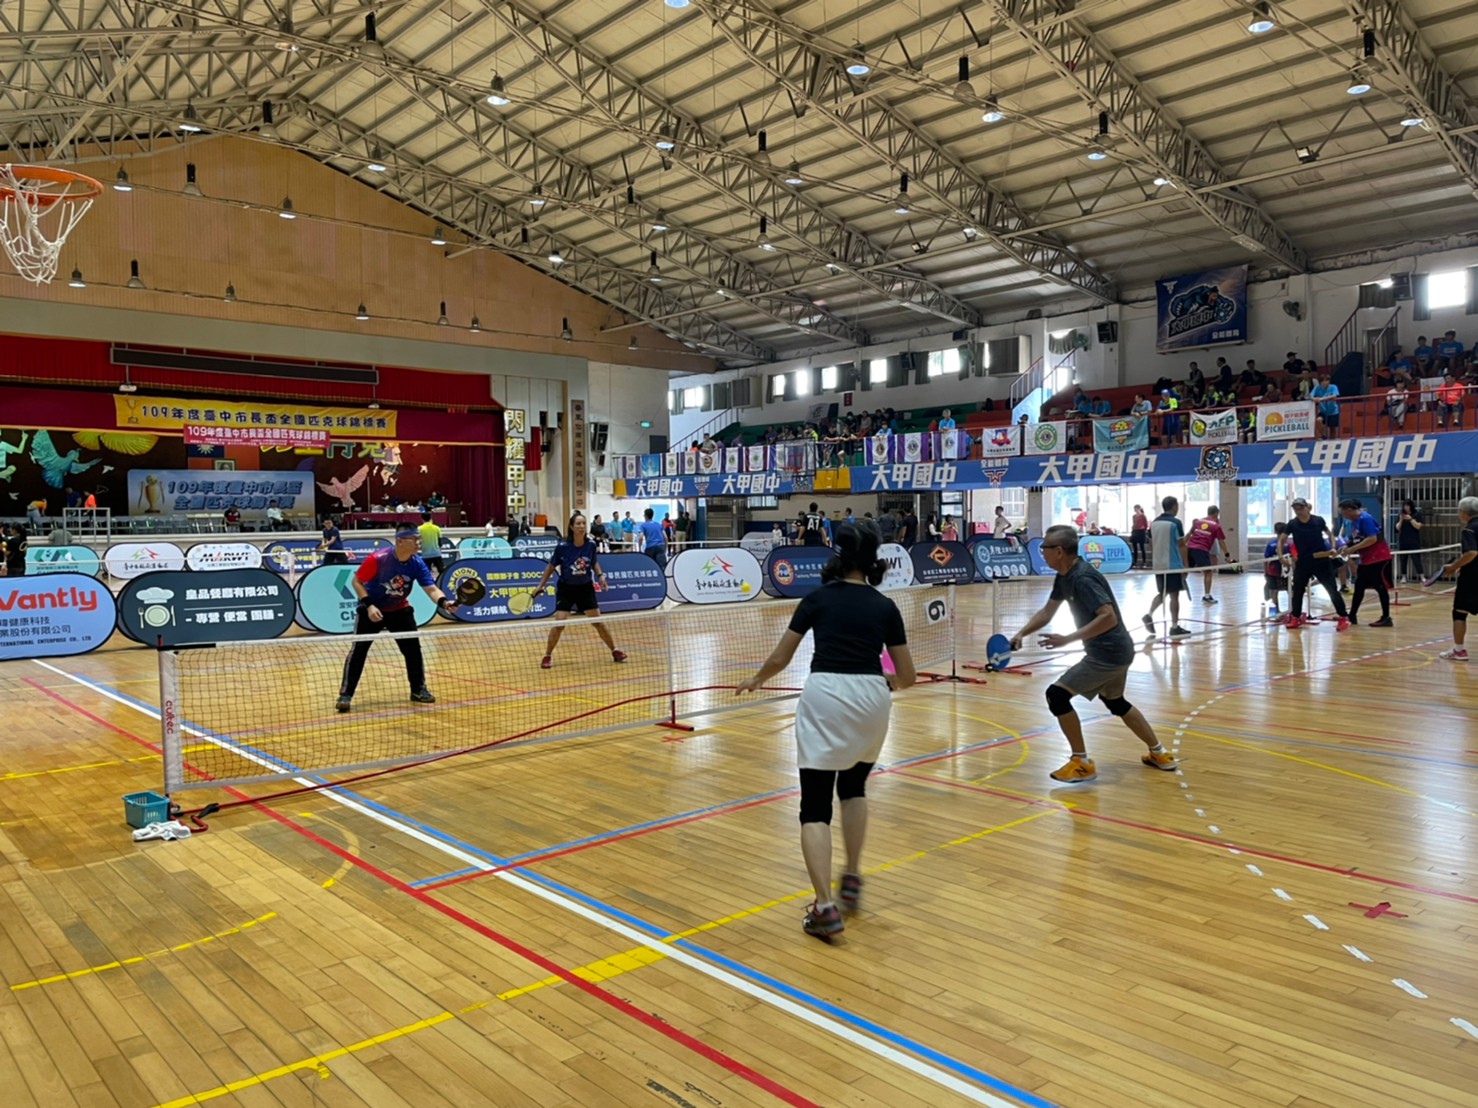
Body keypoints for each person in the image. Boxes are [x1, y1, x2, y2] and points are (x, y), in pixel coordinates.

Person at [736, 521, 915, 939]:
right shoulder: (885, 606)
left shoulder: (816, 599)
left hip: (826, 696)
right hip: (872, 699)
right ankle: (851, 874)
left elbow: (781, 657)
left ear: (838, 553)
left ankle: (825, 907)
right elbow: (907, 676)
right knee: (854, 788)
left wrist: (756, 679)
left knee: (815, 806)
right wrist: (884, 682)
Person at [1010, 525, 1177, 785]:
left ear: (1059, 551)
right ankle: (1160, 753)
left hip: (1108, 653)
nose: (1042, 552)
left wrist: (1068, 639)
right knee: (1116, 702)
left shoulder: (1082, 578)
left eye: (1044, 548)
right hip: (1118, 650)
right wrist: (1022, 633)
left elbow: (1108, 617)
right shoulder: (1064, 576)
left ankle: (1081, 762)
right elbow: (1047, 611)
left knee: (1057, 696)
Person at [335, 525, 458, 712]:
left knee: (413, 651)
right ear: (400, 541)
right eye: (414, 539)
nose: (418, 543)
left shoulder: (417, 563)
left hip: (399, 610)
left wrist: (444, 603)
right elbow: (356, 581)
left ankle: (418, 690)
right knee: (358, 651)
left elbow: (431, 589)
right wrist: (369, 605)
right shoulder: (378, 559)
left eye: (419, 539)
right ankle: (345, 695)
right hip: (371, 609)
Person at [531, 513, 628, 669]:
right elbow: (550, 567)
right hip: (567, 589)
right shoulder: (563, 547)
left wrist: (600, 576)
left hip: (585, 588)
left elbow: (594, 563)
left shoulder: (590, 545)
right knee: (559, 624)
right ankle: (547, 655)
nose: (582, 526)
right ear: (571, 527)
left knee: (598, 623)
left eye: (583, 523)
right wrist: (540, 585)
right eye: (578, 524)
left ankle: (614, 650)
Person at [1277, 498, 1349, 630]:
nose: (1298, 511)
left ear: (1307, 507)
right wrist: (1281, 557)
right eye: (1295, 509)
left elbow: (1330, 534)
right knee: (1297, 590)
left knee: (1331, 589)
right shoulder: (1292, 524)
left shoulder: (1318, 520)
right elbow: (1281, 540)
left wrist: (1333, 547)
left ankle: (1343, 617)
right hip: (1303, 562)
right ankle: (1296, 617)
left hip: (1321, 560)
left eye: (1300, 508)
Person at [1435, 496, 1478, 662]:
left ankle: (1458, 650)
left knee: (1460, 612)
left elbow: (1471, 553)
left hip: (1472, 578)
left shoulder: (1469, 529)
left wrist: (1453, 567)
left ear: (1464, 513)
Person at [1338, 499, 1393, 627]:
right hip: (1366, 559)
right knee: (1359, 586)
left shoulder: (1365, 518)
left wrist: (1353, 549)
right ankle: (1352, 615)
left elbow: (1372, 538)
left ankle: (1386, 617)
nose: (1342, 516)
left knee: (1380, 587)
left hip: (1378, 558)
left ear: (1349, 510)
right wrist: (1346, 546)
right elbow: (1355, 538)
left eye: (1342, 513)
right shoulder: (1354, 522)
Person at [1145, 496, 1192, 638]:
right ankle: (1174, 626)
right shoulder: (1175, 523)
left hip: (1158, 564)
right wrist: (1186, 565)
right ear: (1174, 506)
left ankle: (1149, 614)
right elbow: (1181, 544)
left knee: (1163, 592)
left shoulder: (1154, 523)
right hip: (1173, 565)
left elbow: (1151, 543)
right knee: (1174, 595)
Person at [1187, 506, 1235, 605]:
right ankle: (1207, 596)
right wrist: (1227, 555)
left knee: (1185, 569)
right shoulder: (1216, 526)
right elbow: (1221, 542)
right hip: (1201, 549)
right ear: (1217, 513)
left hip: (1190, 548)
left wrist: (1180, 546)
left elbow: (1189, 534)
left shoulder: (1198, 522)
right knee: (1208, 573)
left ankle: (1174, 589)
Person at [1264, 523, 1291, 619]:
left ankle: (1277, 611)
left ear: (1275, 531)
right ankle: (1292, 610)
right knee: (1289, 590)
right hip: (1284, 571)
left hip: (1274, 571)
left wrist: (1265, 572)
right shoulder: (1289, 544)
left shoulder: (1271, 544)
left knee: (1275, 590)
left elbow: (1266, 560)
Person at [1396, 499, 1424, 583]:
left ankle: (1422, 577)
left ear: (1411, 506)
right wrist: (1401, 520)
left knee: (1416, 559)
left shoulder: (1417, 514)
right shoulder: (1401, 515)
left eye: (1407, 505)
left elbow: (1418, 526)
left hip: (1414, 541)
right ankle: (1403, 576)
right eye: (1405, 506)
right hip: (1403, 541)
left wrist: (1411, 519)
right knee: (1403, 559)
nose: (1406, 507)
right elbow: (1397, 528)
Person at [1310, 374, 1340, 438]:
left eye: (1326, 380)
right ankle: (1323, 435)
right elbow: (1311, 396)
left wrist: (1321, 399)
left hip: (1333, 411)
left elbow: (1334, 396)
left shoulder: (1333, 387)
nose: (1324, 382)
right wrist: (1314, 399)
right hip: (1323, 411)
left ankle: (1332, 441)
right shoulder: (1317, 388)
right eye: (1322, 381)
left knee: (1332, 429)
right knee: (1318, 420)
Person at [418, 511, 445, 576]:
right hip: (436, 553)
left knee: (426, 573)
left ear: (422, 519)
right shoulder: (437, 528)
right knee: (442, 572)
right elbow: (440, 542)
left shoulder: (419, 529)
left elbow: (418, 541)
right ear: (430, 518)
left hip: (425, 554)